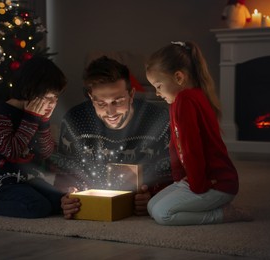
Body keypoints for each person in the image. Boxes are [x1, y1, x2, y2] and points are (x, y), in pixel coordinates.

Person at [145, 41, 253, 225]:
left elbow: (191, 148)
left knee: (163, 214)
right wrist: (180, 180)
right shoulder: (177, 102)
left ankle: (223, 214)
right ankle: (207, 201)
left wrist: (196, 186)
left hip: (217, 184)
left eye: (158, 86)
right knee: (151, 206)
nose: (157, 93)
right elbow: (175, 145)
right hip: (196, 179)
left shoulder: (187, 100)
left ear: (178, 77)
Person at [52, 56, 172, 219]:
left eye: (118, 101)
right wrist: (67, 197)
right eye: (101, 103)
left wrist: (152, 197)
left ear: (131, 94)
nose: (110, 112)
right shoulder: (75, 121)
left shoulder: (158, 120)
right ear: (91, 97)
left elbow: (172, 174)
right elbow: (65, 174)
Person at [0, 55, 67, 218]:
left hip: (30, 180)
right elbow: (13, 152)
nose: (53, 104)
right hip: (3, 183)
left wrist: (43, 122)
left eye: (56, 99)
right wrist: (30, 118)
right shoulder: (1, 113)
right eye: (48, 98)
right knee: (37, 207)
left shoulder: (38, 116)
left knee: (61, 201)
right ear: (30, 91)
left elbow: (46, 152)